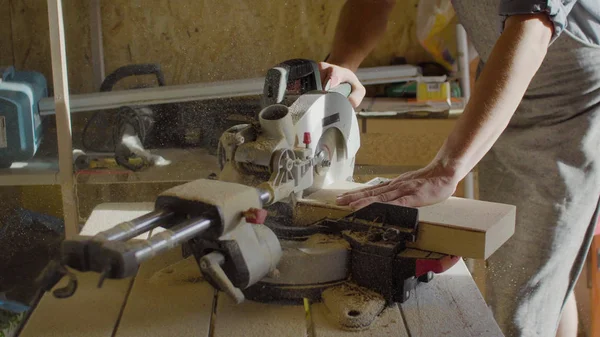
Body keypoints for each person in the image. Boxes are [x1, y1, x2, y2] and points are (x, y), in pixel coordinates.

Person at [319, 1, 600, 336]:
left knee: (521, 303)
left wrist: (447, 167)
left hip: (570, 94)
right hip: (504, 80)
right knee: (526, 269)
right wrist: (340, 71)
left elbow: (533, 25)